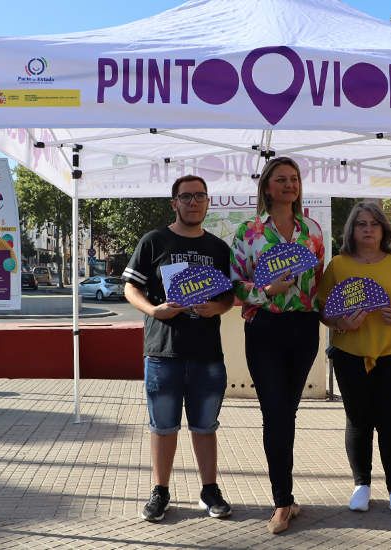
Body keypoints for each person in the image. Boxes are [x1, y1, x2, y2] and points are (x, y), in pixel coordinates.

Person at [123, 175, 235, 522]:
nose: (193, 202)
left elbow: (229, 296)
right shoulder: (154, 241)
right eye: (186, 196)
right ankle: (160, 491)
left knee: (205, 426)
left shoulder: (219, 248)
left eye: (199, 196)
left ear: (207, 201)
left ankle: (209, 489)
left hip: (207, 353)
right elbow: (130, 288)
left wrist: (217, 308)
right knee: (163, 426)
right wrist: (154, 310)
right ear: (174, 203)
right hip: (162, 352)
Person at [230, 157, 324, 534]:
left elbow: (319, 281)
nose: (289, 185)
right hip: (264, 327)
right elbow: (235, 283)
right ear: (267, 187)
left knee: (288, 411)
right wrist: (265, 291)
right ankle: (282, 502)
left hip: (303, 327)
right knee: (275, 413)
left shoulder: (312, 230)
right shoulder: (248, 232)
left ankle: (286, 496)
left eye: (294, 179)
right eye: (281, 179)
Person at [317, 202, 391, 519]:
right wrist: (341, 322)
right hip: (350, 355)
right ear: (351, 230)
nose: (367, 229)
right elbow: (324, 310)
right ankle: (361, 485)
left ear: (384, 230)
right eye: (361, 223)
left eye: (374, 224)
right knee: (358, 421)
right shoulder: (338, 265)